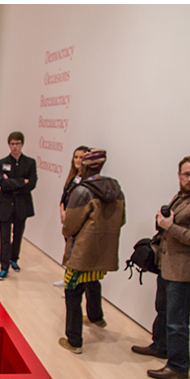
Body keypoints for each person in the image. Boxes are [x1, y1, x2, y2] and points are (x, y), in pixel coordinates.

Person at [132, 155, 190, 379]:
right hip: (167, 266)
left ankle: (179, 366)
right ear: (179, 175)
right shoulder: (180, 198)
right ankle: (161, 346)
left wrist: (170, 227)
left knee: (177, 321)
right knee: (163, 310)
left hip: (183, 271)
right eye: (186, 174)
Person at [58, 149, 125, 354]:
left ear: (85, 166)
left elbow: (70, 225)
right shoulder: (117, 190)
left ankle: (74, 340)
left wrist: (68, 233)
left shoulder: (82, 191)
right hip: (103, 249)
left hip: (82, 250)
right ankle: (96, 318)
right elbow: (121, 220)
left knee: (72, 289)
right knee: (92, 280)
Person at [0, 131, 37, 280]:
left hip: (22, 205)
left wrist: (13, 182)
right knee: (4, 237)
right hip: (5, 205)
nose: (15, 147)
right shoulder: (1, 163)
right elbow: (3, 184)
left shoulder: (30, 163)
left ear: (22, 144)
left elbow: (31, 184)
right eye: (12, 144)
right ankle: (4, 267)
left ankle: (14, 259)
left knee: (18, 235)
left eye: (17, 144)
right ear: (9, 145)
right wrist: (21, 181)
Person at [54, 145, 90, 286]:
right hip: (67, 220)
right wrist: (62, 211)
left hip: (76, 222)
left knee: (75, 254)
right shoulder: (72, 177)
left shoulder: (87, 180)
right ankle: (67, 279)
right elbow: (64, 196)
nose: (78, 160)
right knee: (68, 251)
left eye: (81, 157)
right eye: (76, 157)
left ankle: (73, 284)